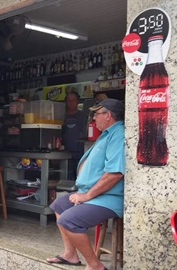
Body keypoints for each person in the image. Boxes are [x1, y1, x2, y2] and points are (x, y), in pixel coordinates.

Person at [47, 98, 125, 270]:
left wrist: (87, 195)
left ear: (108, 115)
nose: (93, 119)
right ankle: (70, 254)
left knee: (70, 220)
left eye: (96, 114)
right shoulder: (106, 134)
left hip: (108, 198)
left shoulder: (118, 133)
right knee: (59, 205)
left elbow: (114, 174)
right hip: (93, 194)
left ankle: (95, 265)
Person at [62, 91, 85, 180]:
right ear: (65, 102)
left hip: (81, 154)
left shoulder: (83, 115)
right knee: (66, 179)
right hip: (64, 155)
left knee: (81, 179)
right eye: (69, 100)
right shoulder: (61, 115)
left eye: (73, 100)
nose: (71, 103)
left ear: (78, 101)